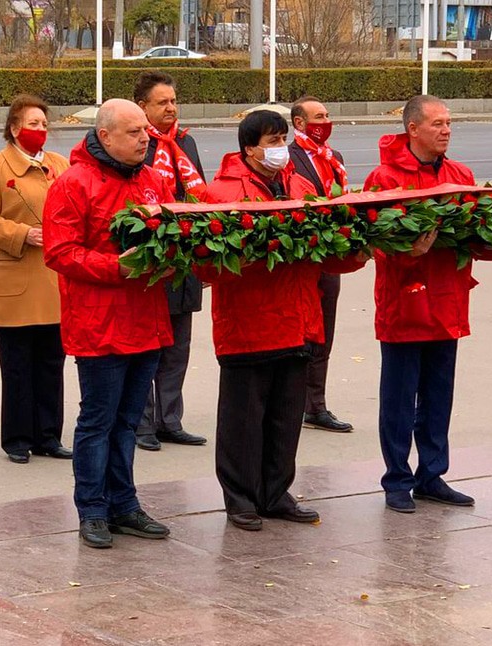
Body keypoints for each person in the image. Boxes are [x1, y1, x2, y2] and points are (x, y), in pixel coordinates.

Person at [196, 110, 365, 532]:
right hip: (248, 325)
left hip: (298, 318)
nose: (280, 149)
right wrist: (248, 256)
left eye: (283, 139)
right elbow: (203, 266)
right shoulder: (220, 194)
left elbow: (327, 250)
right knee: (243, 421)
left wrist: (361, 250)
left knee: (285, 417)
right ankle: (240, 499)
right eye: (272, 141)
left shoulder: (302, 186)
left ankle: (276, 493)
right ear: (249, 148)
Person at [364, 95, 492, 514]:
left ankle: (432, 474)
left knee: (438, 396)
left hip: (447, 302)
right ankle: (397, 479)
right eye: (437, 123)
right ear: (412, 129)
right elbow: (375, 244)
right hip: (405, 304)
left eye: (449, 123)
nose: (446, 130)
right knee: (399, 400)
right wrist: (408, 253)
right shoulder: (384, 178)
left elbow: (469, 240)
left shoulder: (460, 174)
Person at [43, 98, 174, 549]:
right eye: (135, 132)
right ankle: (92, 510)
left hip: (146, 320)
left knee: (129, 422)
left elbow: (172, 236)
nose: (145, 139)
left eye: (145, 132)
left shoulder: (154, 181)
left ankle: (125, 504)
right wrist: (122, 267)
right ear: (105, 136)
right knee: (98, 421)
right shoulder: (73, 183)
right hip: (99, 324)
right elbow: (59, 253)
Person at [0, 94, 72, 464]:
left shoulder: (59, 164)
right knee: (17, 366)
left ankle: (49, 435)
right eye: (32, 124)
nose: (40, 130)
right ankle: (16, 438)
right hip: (15, 277)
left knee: (51, 363)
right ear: (14, 128)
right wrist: (21, 235)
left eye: (44, 124)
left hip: (55, 280)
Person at [132, 71, 208, 451]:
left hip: (186, 260)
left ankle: (169, 420)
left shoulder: (186, 142)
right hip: (151, 261)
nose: (171, 108)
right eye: (162, 102)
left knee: (179, 345)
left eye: (173, 101)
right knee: (148, 343)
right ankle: (141, 423)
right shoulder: (135, 144)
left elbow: (202, 196)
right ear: (142, 107)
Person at [288, 96, 354, 434]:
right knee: (299, 332)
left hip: (330, 258)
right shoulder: (287, 157)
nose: (325, 122)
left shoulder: (334, 158)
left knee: (324, 331)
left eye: (327, 115)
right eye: (318, 117)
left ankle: (317, 404)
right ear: (299, 123)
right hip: (300, 259)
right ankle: (291, 403)